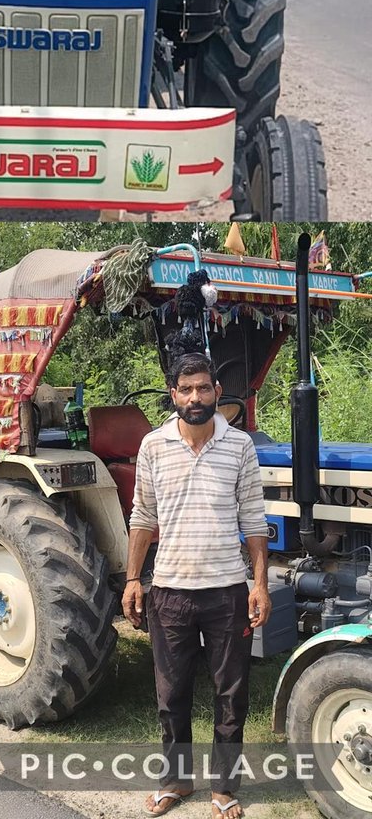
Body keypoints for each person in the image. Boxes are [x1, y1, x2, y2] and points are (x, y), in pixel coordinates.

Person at [122, 351, 271, 819]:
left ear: (216, 392)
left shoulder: (239, 446)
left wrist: (260, 585)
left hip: (227, 590)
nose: (195, 397)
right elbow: (142, 519)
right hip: (170, 590)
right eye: (186, 390)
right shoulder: (153, 446)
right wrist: (132, 579)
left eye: (203, 388)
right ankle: (175, 781)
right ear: (173, 395)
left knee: (231, 694)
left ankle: (224, 789)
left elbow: (254, 521)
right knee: (172, 695)